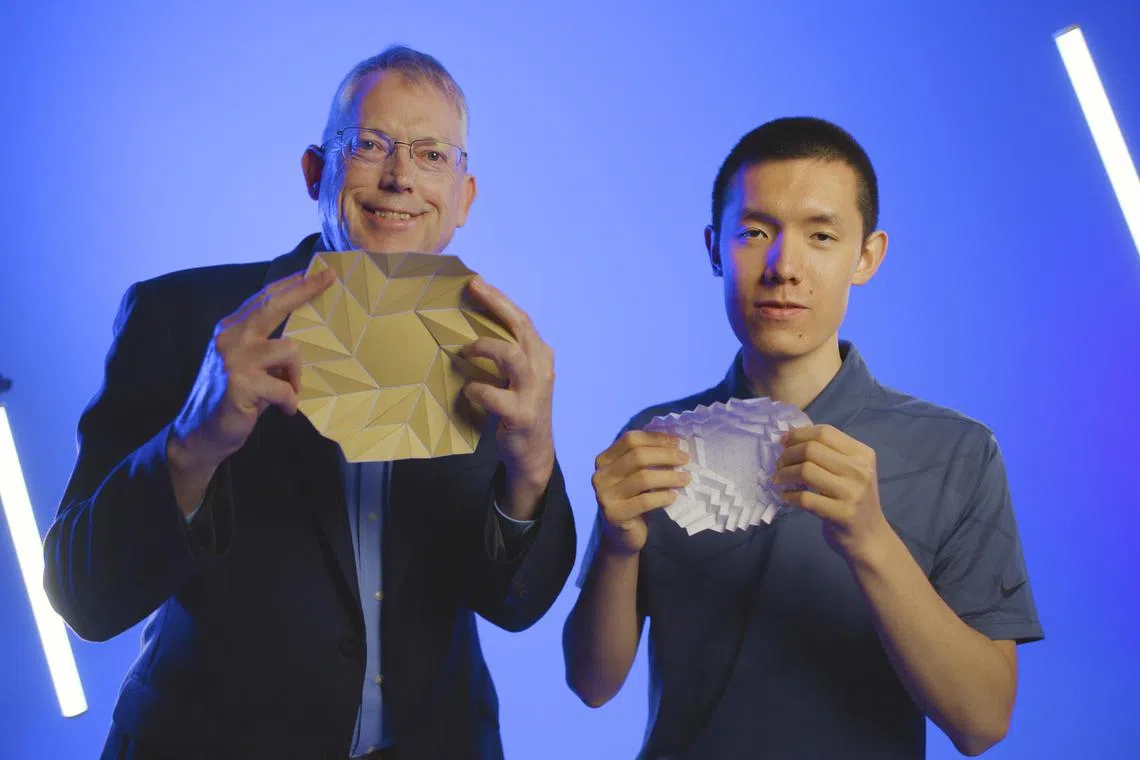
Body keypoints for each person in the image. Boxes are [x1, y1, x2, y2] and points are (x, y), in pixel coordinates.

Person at [43, 45, 576, 760]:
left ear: (464, 197)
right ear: (315, 173)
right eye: (369, 145)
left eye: (430, 155)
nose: (399, 177)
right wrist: (193, 445)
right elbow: (83, 598)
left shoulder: (495, 345)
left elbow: (519, 605)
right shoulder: (184, 318)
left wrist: (534, 464)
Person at [563, 117, 1043, 759]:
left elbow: (982, 722)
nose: (783, 266)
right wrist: (620, 547)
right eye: (754, 232)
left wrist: (870, 538)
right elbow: (592, 684)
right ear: (714, 249)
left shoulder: (957, 452)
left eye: (821, 235)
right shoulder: (654, 442)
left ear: (866, 257)